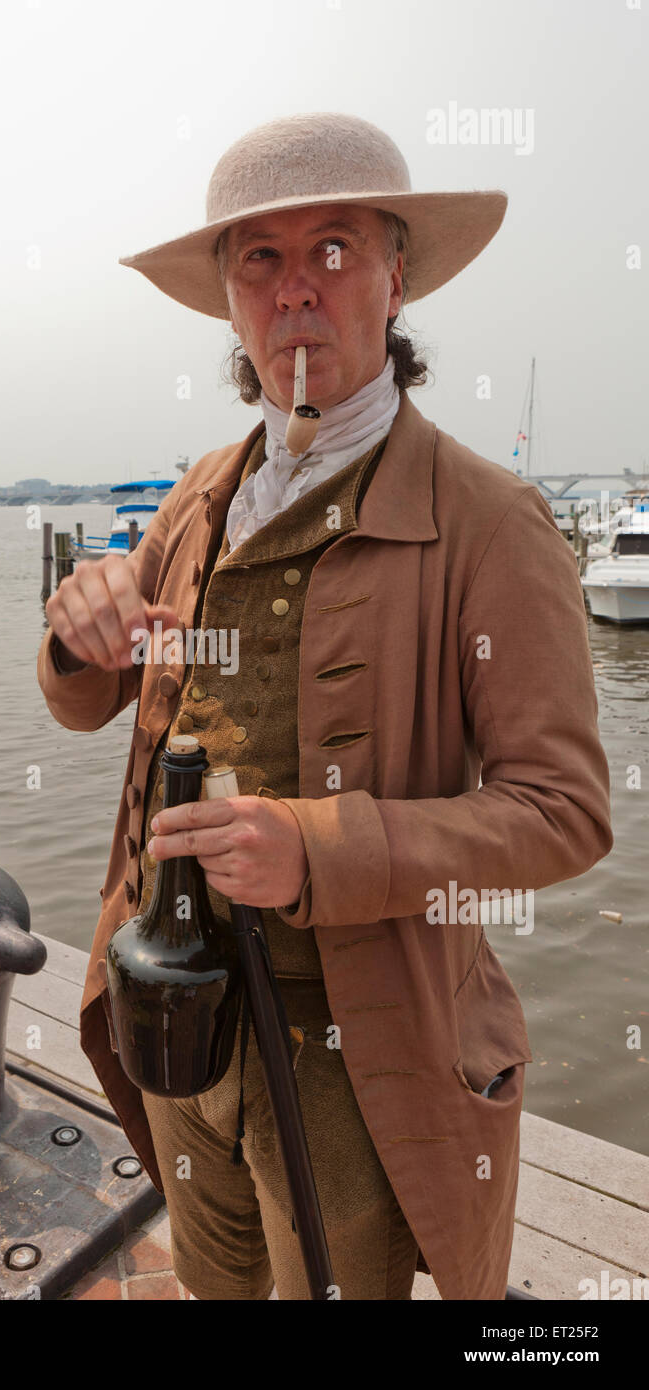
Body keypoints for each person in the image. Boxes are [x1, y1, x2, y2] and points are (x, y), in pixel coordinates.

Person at [36, 112, 612, 1300]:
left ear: (396, 279)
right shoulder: (205, 487)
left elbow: (562, 812)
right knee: (213, 1278)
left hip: (357, 1043)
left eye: (335, 250)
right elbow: (92, 700)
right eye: (262, 258)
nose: (297, 288)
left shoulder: (489, 519)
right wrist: (77, 630)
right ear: (229, 302)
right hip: (173, 1005)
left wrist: (319, 844)